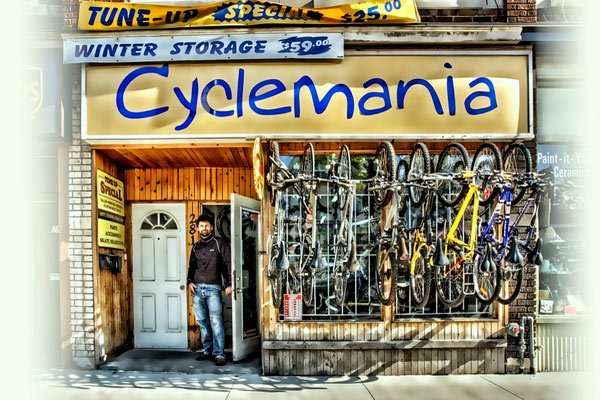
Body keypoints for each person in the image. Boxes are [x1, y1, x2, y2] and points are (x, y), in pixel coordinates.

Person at [187, 214, 232, 366]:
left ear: (211, 227)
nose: (204, 228)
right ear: (198, 228)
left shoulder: (219, 243)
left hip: (213, 288)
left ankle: (219, 354)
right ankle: (207, 351)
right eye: (201, 226)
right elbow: (191, 267)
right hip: (197, 289)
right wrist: (189, 282)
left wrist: (229, 283)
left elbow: (228, 263)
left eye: (206, 225)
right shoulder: (196, 247)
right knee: (202, 322)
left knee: (216, 321)